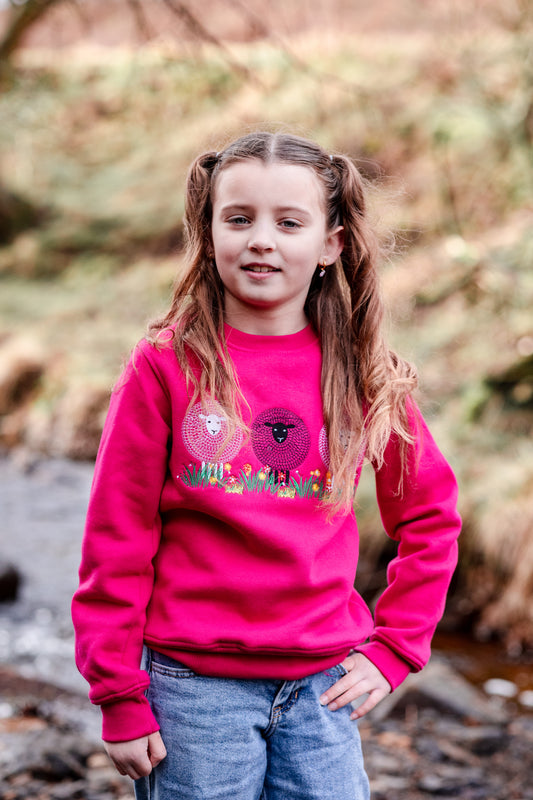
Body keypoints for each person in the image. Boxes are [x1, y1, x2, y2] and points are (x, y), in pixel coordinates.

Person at [72, 130, 461, 800]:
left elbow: (430, 516)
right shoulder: (165, 367)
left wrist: (395, 648)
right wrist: (117, 692)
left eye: (288, 222)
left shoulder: (363, 375)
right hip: (193, 692)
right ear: (208, 230)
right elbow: (117, 537)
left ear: (331, 244)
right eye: (239, 218)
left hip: (323, 690)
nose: (261, 239)